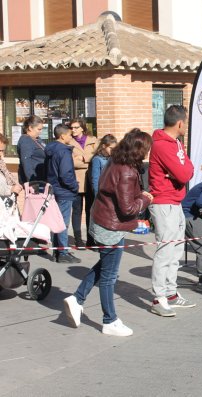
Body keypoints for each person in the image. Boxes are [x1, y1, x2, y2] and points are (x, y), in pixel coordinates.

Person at [63, 129, 153, 337]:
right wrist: (146, 199)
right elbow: (128, 208)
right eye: (146, 149)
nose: (148, 153)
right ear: (138, 149)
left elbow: (121, 194)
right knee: (109, 276)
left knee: (104, 265)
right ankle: (109, 320)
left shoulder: (115, 161)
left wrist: (140, 194)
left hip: (103, 219)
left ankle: (77, 298)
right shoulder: (127, 171)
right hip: (111, 226)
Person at [149, 105, 195, 317]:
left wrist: (181, 169)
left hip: (176, 201)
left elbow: (187, 169)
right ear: (179, 123)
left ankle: (171, 293)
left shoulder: (176, 142)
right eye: (185, 122)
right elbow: (184, 174)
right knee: (165, 252)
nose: (186, 125)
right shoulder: (162, 145)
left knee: (176, 251)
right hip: (163, 202)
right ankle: (158, 298)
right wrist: (179, 170)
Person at [45, 124, 81, 263]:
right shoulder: (63, 151)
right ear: (62, 135)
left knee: (56, 221)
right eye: (69, 135)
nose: (71, 137)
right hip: (64, 191)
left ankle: (57, 251)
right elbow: (66, 174)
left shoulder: (50, 149)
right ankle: (63, 252)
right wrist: (74, 187)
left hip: (54, 189)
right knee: (63, 223)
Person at [68, 118, 98, 248]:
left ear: (82, 128)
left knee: (90, 210)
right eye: (72, 127)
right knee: (77, 211)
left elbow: (97, 155)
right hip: (77, 181)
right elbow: (70, 162)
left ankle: (91, 240)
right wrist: (87, 160)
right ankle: (78, 240)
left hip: (91, 179)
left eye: (76, 127)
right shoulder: (69, 142)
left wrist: (83, 157)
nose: (73, 130)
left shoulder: (93, 140)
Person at [17, 115, 46, 184]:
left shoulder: (37, 139)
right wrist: (32, 182)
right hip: (34, 179)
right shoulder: (26, 140)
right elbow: (26, 162)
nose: (40, 132)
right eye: (39, 129)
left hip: (42, 176)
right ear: (30, 128)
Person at [0, 133, 23, 199]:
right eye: (0, 151)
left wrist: (15, 184)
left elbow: (7, 176)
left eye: (3, 151)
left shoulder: (1, 164)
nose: (2, 155)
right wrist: (10, 189)